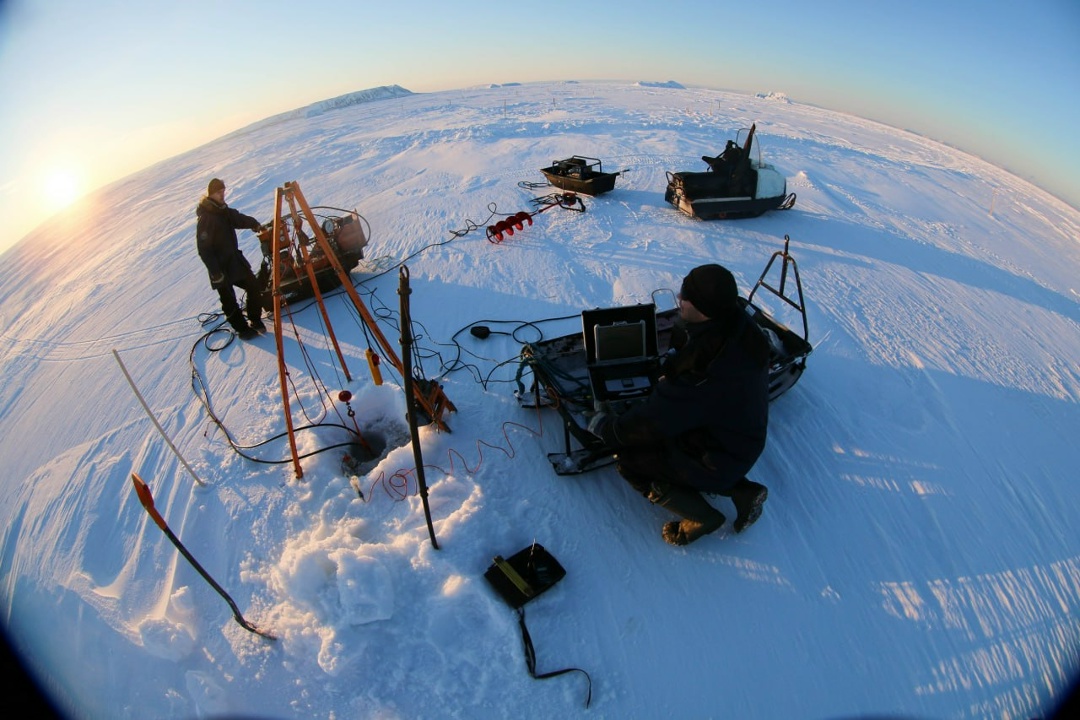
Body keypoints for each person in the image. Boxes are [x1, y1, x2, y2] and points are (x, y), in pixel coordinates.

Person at [587, 264, 771, 546]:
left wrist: (609, 429)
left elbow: (653, 421)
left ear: (701, 306)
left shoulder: (703, 372)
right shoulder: (739, 325)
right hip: (738, 440)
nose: (679, 300)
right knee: (690, 445)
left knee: (630, 459)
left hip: (718, 453)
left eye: (683, 297)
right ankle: (742, 491)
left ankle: (701, 518)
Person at [196, 178, 269, 339]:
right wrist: (215, 272)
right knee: (229, 300)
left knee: (253, 285)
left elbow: (239, 218)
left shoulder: (223, 211)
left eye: (223, 191)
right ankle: (242, 330)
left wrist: (255, 224)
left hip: (233, 261)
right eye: (218, 192)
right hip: (220, 268)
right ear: (211, 194)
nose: (222, 195)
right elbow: (204, 249)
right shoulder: (206, 218)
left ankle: (255, 319)